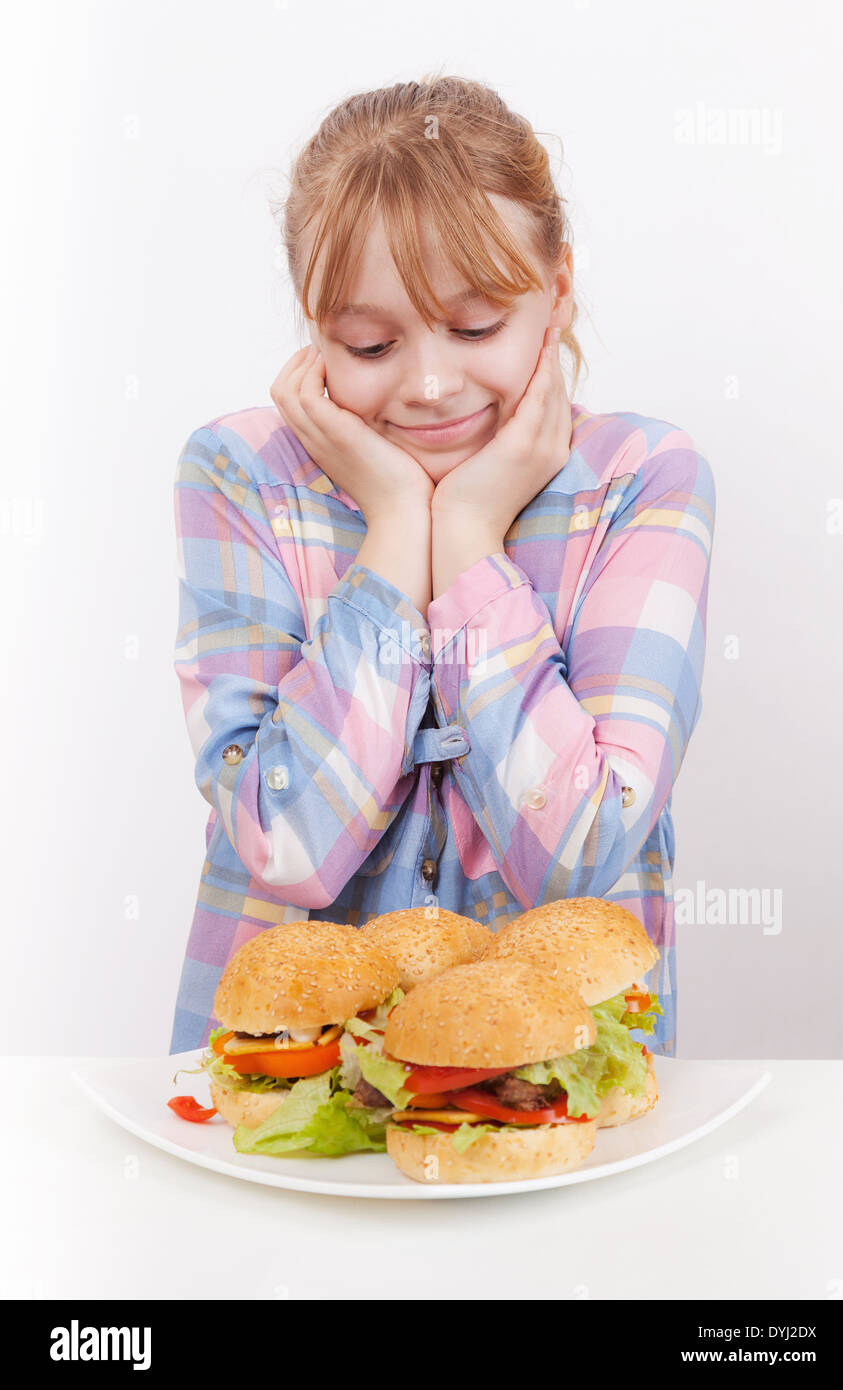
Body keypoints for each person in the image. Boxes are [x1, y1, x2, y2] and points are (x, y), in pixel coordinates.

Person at [169, 75, 715, 1057]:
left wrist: (465, 535)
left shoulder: (640, 481)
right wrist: (390, 527)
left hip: (547, 1079)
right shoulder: (241, 473)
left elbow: (577, 857)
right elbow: (286, 844)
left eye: (474, 327)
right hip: (286, 1080)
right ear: (312, 325)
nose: (426, 384)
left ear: (554, 293)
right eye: (369, 342)